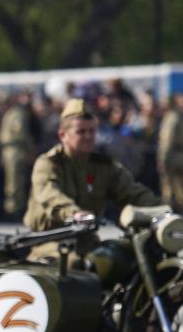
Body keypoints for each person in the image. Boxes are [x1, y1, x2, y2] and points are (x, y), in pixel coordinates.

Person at [23, 98, 159, 259]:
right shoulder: (48, 164)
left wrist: (164, 210)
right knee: (74, 265)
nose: (88, 136)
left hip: (87, 241)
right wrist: (74, 214)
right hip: (49, 242)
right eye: (81, 132)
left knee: (123, 260)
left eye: (92, 131)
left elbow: (132, 192)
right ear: (62, 135)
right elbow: (50, 195)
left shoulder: (103, 165)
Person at [0, 90, 36, 219]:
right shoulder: (11, 113)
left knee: (15, 182)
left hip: (16, 148)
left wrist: (29, 148)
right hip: (10, 149)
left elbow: (19, 132)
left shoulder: (17, 113)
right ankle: (12, 208)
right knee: (12, 181)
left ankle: (14, 209)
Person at [157, 93, 183, 213]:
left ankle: (171, 211)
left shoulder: (171, 118)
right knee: (182, 186)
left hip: (172, 155)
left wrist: (162, 159)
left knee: (168, 185)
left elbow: (167, 140)